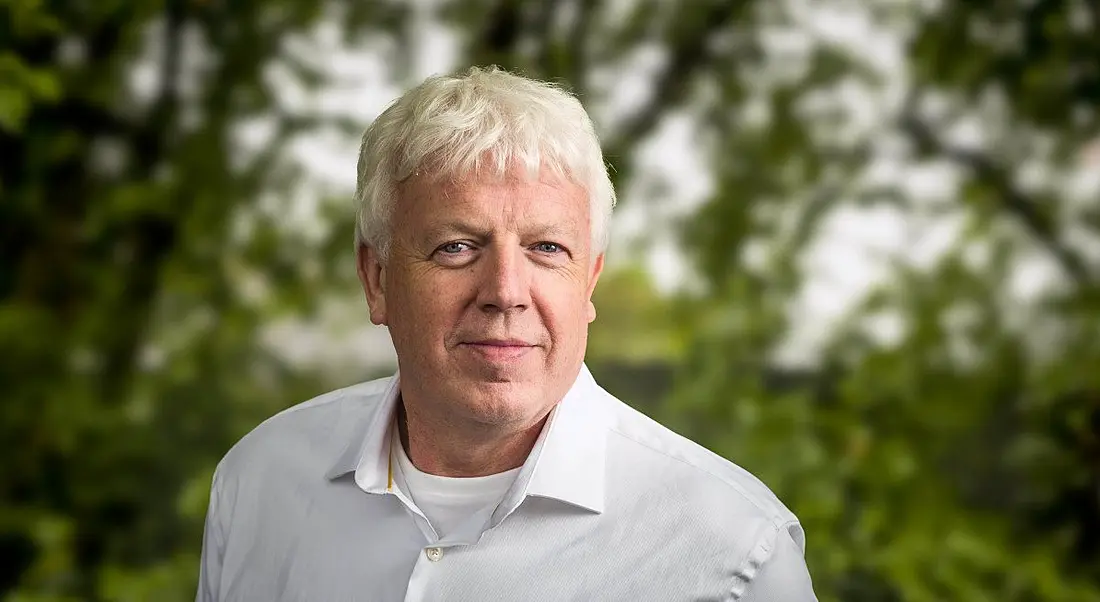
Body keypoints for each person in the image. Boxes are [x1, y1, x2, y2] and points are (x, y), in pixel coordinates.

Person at [195, 66, 817, 601]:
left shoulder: (735, 551)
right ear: (377, 279)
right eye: (456, 247)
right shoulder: (260, 482)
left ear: (589, 281)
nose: (506, 291)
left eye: (547, 248)